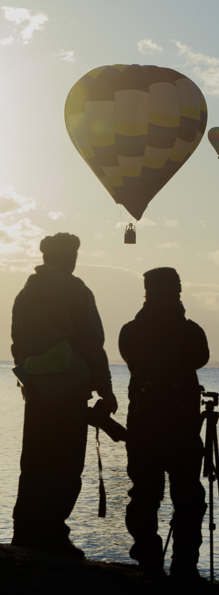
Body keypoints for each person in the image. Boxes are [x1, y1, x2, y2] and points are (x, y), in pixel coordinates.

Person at [11, 232, 117, 557]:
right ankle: (54, 534)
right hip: (69, 393)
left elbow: (17, 345)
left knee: (34, 463)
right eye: (73, 254)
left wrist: (32, 381)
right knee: (66, 466)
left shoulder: (23, 296)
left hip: (36, 392)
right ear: (67, 257)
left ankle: (25, 533)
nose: (75, 260)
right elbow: (92, 344)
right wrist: (106, 389)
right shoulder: (77, 292)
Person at [119, 267, 209, 581]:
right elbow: (200, 358)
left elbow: (134, 360)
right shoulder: (191, 332)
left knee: (144, 495)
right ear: (178, 293)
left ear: (146, 292)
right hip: (182, 426)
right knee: (188, 498)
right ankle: (184, 567)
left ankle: (148, 560)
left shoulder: (130, 331)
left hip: (143, 423)